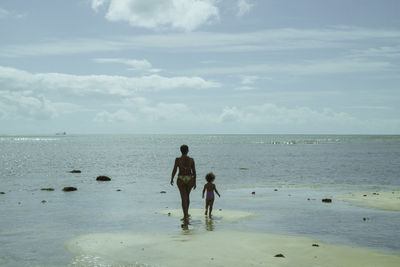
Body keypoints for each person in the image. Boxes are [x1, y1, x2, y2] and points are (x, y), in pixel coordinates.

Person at [170, 145, 196, 221]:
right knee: (187, 197)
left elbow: (174, 170)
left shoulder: (177, 160)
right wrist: (195, 182)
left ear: (180, 150)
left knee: (183, 198)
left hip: (181, 178)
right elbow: (194, 172)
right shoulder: (191, 160)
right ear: (187, 150)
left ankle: (185, 215)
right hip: (189, 178)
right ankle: (186, 214)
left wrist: (172, 178)